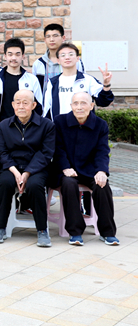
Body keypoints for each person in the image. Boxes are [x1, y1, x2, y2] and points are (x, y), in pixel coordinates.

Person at [0, 90, 55, 247]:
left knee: (35, 185)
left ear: (33, 105)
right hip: (11, 167)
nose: (21, 106)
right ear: (13, 105)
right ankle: (0, 228)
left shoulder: (47, 125)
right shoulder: (4, 125)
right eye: (18, 102)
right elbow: (1, 153)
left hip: (36, 168)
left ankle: (42, 230)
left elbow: (45, 153)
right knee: (4, 183)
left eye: (25, 103)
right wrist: (14, 171)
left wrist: (26, 173)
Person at [54, 92, 119, 246]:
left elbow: (102, 151)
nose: (79, 107)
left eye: (83, 103)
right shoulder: (60, 121)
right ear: (71, 106)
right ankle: (75, 232)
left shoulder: (100, 125)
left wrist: (101, 171)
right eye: (76, 103)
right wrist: (65, 167)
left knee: (102, 186)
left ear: (91, 106)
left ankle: (108, 232)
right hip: (65, 170)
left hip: (89, 170)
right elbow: (57, 149)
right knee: (69, 184)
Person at [43, 43, 114, 121]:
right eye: (63, 55)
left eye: (71, 54)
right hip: (60, 126)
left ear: (77, 58)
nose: (67, 57)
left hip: (84, 126)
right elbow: (47, 109)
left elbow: (104, 102)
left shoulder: (88, 80)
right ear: (58, 60)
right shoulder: (53, 82)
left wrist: (106, 84)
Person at [0, 38, 43, 127]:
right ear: (5, 56)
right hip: (3, 128)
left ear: (23, 56)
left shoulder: (32, 80)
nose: (13, 58)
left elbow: (39, 106)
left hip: (27, 128)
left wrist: (33, 128)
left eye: (17, 54)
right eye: (10, 54)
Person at [34, 24, 85, 93]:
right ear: (45, 40)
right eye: (48, 36)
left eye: (55, 36)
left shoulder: (74, 60)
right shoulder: (38, 63)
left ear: (63, 38)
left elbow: (82, 82)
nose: (51, 39)